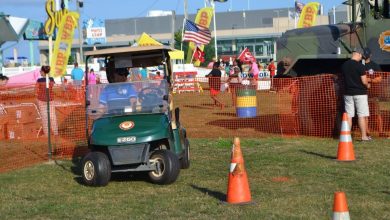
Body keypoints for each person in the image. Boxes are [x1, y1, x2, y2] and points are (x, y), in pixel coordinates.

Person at [341, 48, 371, 141]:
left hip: (348, 93)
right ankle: (364, 136)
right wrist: (368, 85)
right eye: (361, 56)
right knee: (361, 115)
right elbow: (364, 81)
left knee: (349, 116)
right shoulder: (360, 66)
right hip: (360, 93)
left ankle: (347, 136)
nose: (361, 57)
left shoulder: (344, 65)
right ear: (358, 54)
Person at [363, 48, 386, 137]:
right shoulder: (360, 65)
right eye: (364, 54)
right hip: (363, 94)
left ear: (370, 55)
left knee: (377, 113)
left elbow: (379, 78)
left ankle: (381, 131)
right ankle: (367, 132)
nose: (366, 55)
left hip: (374, 94)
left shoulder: (375, 65)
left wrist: (370, 80)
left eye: (367, 54)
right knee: (365, 114)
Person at [35, 65, 58, 136]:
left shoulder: (39, 80)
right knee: (53, 117)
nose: (39, 72)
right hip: (50, 100)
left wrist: (36, 98)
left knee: (45, 118)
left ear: (43, 72)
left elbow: (35, 90)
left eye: (40, 71)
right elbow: (54, 88)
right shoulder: (51, 79)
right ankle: (55, 133)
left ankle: (47, 134)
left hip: (41, 100)